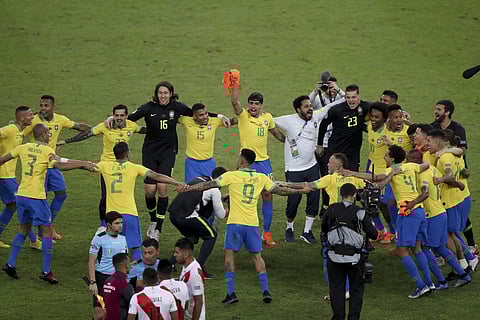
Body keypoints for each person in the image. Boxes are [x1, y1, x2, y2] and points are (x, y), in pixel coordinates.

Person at [178, 148, 312, 304]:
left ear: (242, 161)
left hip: (235, 223)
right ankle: (265, 291)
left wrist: (189, 187)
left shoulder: (231, 175)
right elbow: (281, 190)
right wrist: (302, 190)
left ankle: (231, 293)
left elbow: (208, 185)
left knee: (229, 256)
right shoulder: (261, 177)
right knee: (257, 257)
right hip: (252, 224)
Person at [106, 82, 229, 241]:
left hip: (168, 152)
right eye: (160, 93)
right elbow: (129, 118)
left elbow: (198, 113)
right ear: (156, 94)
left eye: (166, 93)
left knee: (163, 189)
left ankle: (158, 227)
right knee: (150, 190)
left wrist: (219, 116)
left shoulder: (177, 107)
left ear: (171, 93)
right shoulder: (148, 108)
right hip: (150, 152)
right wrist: (112, 117)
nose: (163, 96)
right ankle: (152, 219)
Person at [0, 123, 95, 283]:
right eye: (48, 132)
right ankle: (46, 271)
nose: (50, 134)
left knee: (23, 230)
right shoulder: (47, 151)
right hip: (37, 197)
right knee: (47, 233)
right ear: (43, 134)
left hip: (22, 195)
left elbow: (3, 159)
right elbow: (59, 164)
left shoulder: (23, 147)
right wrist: (83, 164)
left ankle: (10, 264)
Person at [341, 145, 434, 298]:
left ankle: (421, 286)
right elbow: (426, 165)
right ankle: (430, 283)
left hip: (407, 212)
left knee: (403, 251)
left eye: (386, 155)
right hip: (420, 211)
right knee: (417, 249)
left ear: (391, 158)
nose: (384, 157)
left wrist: (351, 173)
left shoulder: (391, 171)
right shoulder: (410, 166)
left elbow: (376, 179)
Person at [58, 104, 145, 232]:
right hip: (106, 167)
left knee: (123, 196)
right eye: (116, 115)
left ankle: (121, 221)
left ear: (126, 116)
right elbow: (87, 134)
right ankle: (103, 225)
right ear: (112, 115)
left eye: (122, 115)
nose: (119, 118)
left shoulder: (131, 126)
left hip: (124, 166)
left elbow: (145, 130)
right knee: (105, 197)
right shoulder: (105, 126)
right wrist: (66, 141)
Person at [94, 142, 184, 260]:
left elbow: (86, 165)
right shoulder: (135, 167)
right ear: (127, 153)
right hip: (130, 214)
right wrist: (177, 182)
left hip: (112, 216)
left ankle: (110, 274)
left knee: (112, 247)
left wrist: (63, 161)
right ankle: (136, 275)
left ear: (114, 154)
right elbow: (156, 176)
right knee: (136, 247)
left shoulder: (104, 165)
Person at [23, 95, 91, 240]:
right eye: (41, 105)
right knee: (42, 198)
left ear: (53, 107)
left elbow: (82, 128)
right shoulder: (33, 121)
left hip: (53, 164)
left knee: (61, 193)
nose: (43, 108)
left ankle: (48, 225)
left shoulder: (60, 119)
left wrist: (99, 129)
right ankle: (40, 233)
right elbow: (18, 132)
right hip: (38, 167)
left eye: (46, 106)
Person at [230, 73, 285, 247]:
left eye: (256, 104)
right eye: (251, 103)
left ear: (262, 106)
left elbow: (277, 135)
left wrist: (292, 141)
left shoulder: (267, 118)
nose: (253, 107)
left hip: (264, 162)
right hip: (246, 162)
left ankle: (266, 233)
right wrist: (235, 85)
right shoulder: (243, 116)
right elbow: (234, 103)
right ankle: (239, 231)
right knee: (242, 196)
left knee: (268, 194)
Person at [406, 149, 471, 288]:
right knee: (440, 247)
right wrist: (459, 184)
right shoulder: (433, 168)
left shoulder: (421, 175)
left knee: (425, 247)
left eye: (408, 160)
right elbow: (445, 181)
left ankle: (442, 281)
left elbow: (425, 192)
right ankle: (463, 275)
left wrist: (412, 203)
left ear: (414, 161)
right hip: (441, 212)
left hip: (432, 216)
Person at [274, 95, 330, 244]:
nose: (310, 108)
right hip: (293, 169)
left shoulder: (315, 117)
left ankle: (307, 231)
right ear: (298, 109)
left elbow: (330, 107)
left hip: (312, 166)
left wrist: (342, 93)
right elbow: (267, 121)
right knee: (293, 200)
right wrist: (280, 137)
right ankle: (289, 227)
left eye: (310, 105)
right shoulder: (288, 120)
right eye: (306, 106)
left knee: (313, 198)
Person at [321, 183, 377, 320]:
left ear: (341, 194)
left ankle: (338, 316)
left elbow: (324, 229)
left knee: (336, 289)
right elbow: (373, 234)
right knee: (356, 290)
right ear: (354, 195)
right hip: (355, 258)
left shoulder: (331, 209)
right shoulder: (360, 212)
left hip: (334, 256)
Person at [430, 100, 477, 254]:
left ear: (447, 112)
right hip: (445, 174)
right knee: (451, 213)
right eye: (435, 108)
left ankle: (469, 247)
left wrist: (444, 152)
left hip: (459, 173)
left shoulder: (458, 128)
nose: (435, 111)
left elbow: (462, 150)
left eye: (439, 109)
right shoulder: (433, 127)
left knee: (458, 212)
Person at [168, 167, 227, 276]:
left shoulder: (200, 179)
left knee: (192, 237)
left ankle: (170, 264)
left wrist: (222, 198)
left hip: (173, 214)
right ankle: (197, 269)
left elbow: (203, 196)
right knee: (211, 236)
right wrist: (229, 208)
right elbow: (221, 215)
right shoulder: (215, 190)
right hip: (187, 216)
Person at [0, 106, 40, 249]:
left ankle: (34, 241)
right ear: (22, 118)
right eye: (29, 115)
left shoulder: (19, 129)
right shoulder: (10, 129)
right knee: (20, 205)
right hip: (4, 175)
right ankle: (34, 241)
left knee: (14, 205)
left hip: (7, 175)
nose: (32, 118)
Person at [309, 74, 345, 216]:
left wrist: (339, 90)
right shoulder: (319, 98)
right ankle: (319, 206)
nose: (329, 89)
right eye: (327, 86)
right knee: (316, 176)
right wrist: (316, 90)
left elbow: (346, 99)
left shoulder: (340, 101)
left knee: (327, 176)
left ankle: (325, 206)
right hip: (317, 144)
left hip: (331, 144)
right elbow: (307, 103)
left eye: (332, 87)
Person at [316, 84, 369, 172]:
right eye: (348, 97)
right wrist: (320, 145)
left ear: (358, 96)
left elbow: (380, 109)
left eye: (353, 97)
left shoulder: (365, 107)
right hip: (336, 150)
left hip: (353, 154)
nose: (351, 100)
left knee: (352, 178)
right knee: (333, 178)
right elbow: (323, 125)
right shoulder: (336, 110)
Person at [178, 103, 233, 183]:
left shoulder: (214, 121)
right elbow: (172, 116)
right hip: (192, 164)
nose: (205, 117)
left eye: (206, 113)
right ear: (194, 117)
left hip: (209, 163)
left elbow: (232, 121)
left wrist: (246, 114)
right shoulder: (186, 121)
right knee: (191, 190)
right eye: (201, 115)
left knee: (209, 190)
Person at [89, 211, 129, 320]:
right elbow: (91, 261)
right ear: (108, 225)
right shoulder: (99, 239)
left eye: (121, 223)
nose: (120, 225)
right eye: (117, 223)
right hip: (102, 279)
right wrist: (93, 282)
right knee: (99, 314)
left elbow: (125, 259)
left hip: (117, 279)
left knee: (113, 312)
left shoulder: (123, 239)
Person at [174, 238, 205, 320]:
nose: (174, 255)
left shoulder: (194, 274)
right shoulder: (187, 266)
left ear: (186, 254)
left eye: (177, 252)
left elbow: (198, 302)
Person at [103, 253, 135, 320]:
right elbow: (134, 304)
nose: (130, 265)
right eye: (129, 263)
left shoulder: (107, 281)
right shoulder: (124, 284)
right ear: (125, 266)